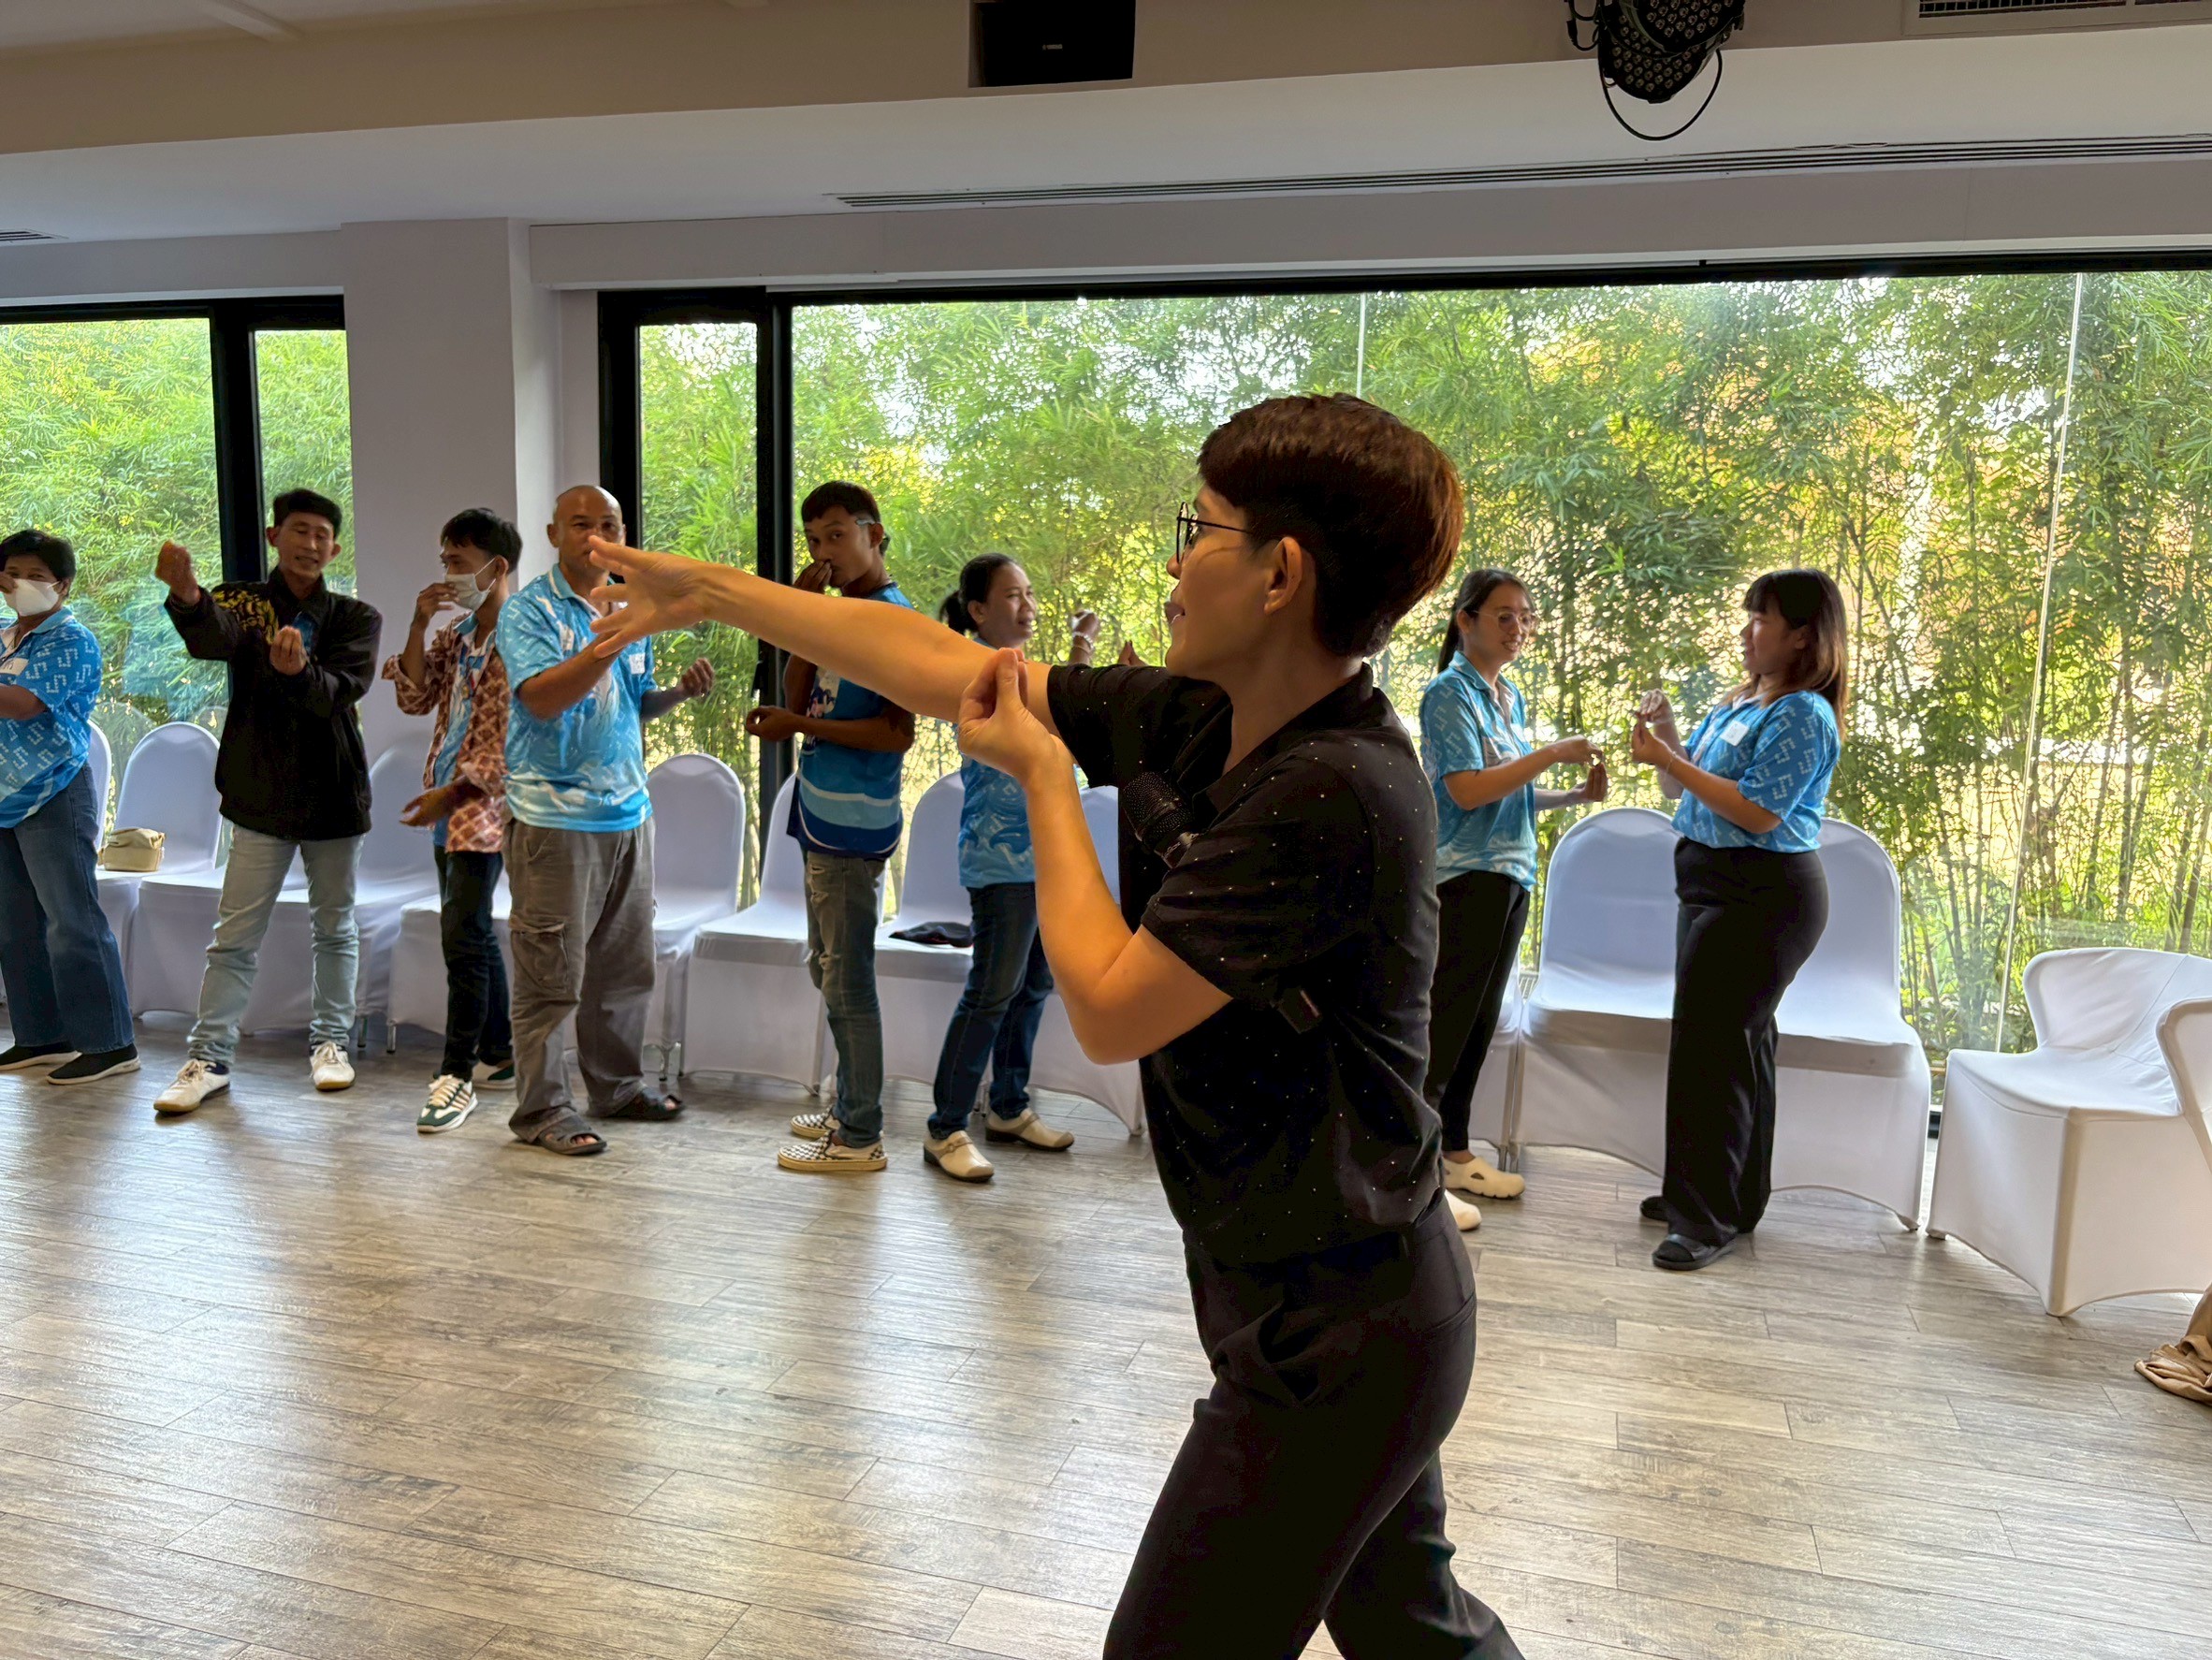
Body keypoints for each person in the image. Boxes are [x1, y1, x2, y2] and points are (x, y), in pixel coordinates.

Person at [584, 392, 1524, 1659]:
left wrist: (1040, 774)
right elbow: (943, 665)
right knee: (1417, 1631)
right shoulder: (1212, 715)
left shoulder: (1334, 789)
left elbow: (1114, 1003)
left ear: (1280, 575)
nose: (1176, 561)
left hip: (1339, 1325)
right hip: (1317, 1288)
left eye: (1200, 530)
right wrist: (713, 591)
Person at [1629, 567, 1847, 1272]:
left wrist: (1672, 758)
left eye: (1762, 619)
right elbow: (1681, 785)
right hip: (1710, 885)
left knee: (1713, 1053)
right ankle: (1724, 1197)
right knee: (1733, 1046)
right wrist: (1667, 740)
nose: (1747, 631)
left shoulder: (1803, 713)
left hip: (1762, 895)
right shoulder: (1741, 701)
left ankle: (1705, 1219)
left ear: (1803, 636)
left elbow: (1757, 811)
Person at [497, 485, 713, 1156]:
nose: (596, 536)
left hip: (628, 813)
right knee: (551, 976)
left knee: (622, 971)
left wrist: (675, 694)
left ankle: (616, 1088)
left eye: (609, 525)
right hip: (553, 818)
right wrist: (611, 641)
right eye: (581, 524)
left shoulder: (629, 603)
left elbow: (628, 702)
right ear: (554, 534)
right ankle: (541, 1111)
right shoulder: (530, 610)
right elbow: (541, 700)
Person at [153, 489, 381, 1114]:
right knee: (234, 936)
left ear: (335, 548)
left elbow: (338, 692)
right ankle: (209, 1057)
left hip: (334, 792)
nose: (311, 544)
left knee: (334, 927)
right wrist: (188, 593)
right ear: (275, 536)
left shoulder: (355, 617)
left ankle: (331, 1044)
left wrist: (298, 672)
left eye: (322, 535)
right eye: (299, 531)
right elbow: (213, 638)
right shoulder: (242, 600)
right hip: (259, 790)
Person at [1419, 566, 1606, 1230]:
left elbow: (1509, 788)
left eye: (1526, 617)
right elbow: (1467, 790)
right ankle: (1414, 1174)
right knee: (1445, 1025)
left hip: (1509, 875)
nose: (1519, 628)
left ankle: (1455, 1153)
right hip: (1463, 877)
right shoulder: (1449, 693)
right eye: (1504, 615)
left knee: (1477, 1025)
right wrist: (1552, 753)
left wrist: (1572, 795)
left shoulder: (1508, 697)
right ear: (1464, 621)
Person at [745, 481, 915, 1176]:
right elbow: (796, 698)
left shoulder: (891, 620)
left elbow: (896, 733)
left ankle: (859, 1135)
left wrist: (797, 724)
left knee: (847, 981)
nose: (824, 552)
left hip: (854, 822)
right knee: (826, 967)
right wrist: (801, 621)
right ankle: (850, 1104)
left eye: (838, 535)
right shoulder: (837, 612)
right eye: (814, 540)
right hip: (821, 813)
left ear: (876, 535)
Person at [917, 554, 1099, 1182]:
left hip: (1046, 856)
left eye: (1029, 593)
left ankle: (1008, 1106)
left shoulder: (1022, 669)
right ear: (978, 611)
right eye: (1013, 596)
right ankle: (944, 1128)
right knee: (992, 991)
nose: (1028, 607)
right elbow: (1048, 724)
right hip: (1000, 861)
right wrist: (1081, 653)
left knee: (1033, 985)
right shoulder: (978, 671)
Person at [382, 507, 521, 1133]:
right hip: (445, 799)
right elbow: (415, 697)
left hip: (485, 803)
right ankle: (499, 1052)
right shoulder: (458, 635)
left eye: (459, 562)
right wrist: (417, 624)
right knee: (472, 930)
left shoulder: (523, 638)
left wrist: (461, 791)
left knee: (461, 933)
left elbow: (513, 736)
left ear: (497, 567)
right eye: (445, 561)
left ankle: (456, 1073)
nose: (448, 573)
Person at [0, 530, 138, 1085]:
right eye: (12, 573)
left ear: (63, 585)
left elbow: (24, 704)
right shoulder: (5, 637)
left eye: (36, 575)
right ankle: (42, 1035)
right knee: (14, 922)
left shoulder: (71, 639)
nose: (22, 583)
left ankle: (111, 1043)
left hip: (53, 789)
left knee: (72, 920)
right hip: (4, 795)